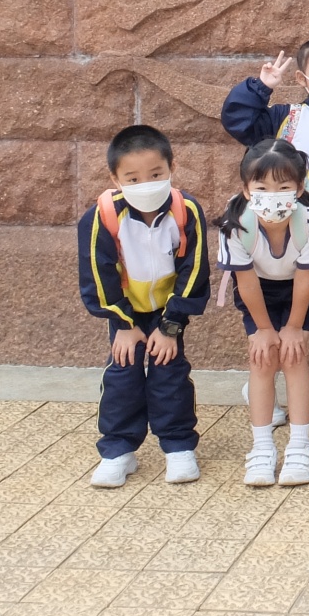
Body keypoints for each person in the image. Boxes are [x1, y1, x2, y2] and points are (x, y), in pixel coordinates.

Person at [221, 35, 309, 431]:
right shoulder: (286, 117)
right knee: (268, 313)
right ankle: (262, 385)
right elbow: (238, 121)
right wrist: (261, 87)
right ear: (303, 78)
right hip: (276, 237)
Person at [77, 124, 210, 488]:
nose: (145, 185)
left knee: (170, 373)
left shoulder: (187, 211)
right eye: (133, 179)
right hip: (127, 312)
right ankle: (118, 450)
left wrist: (171, 326)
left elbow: (195, 270)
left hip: (168, 312)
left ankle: (178, 446)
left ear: (172, 167)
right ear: (115, 179)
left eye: (155, 174)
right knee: (123, 374)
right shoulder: (101, 217)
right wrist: (123, 324)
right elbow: (97, 274)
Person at [212, 140, 309, 487]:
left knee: (294, 356)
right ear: (246, 189)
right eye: (261, 188)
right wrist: (264, 330)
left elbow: (306, 281)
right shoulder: (235, 224)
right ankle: (262, 447)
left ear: (300, 188)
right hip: (258, 292)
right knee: (262, 360)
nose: (272, 196)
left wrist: (294, 327)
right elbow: (246, 282)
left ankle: (300, 446)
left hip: (301, 291)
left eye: (282, 187)